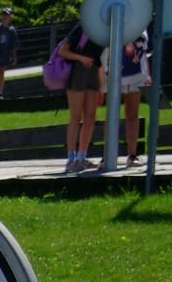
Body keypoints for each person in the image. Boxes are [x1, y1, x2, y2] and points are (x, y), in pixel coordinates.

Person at [58, 17, 104, 174]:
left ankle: (82, 156)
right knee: (76, 116)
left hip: (93, 72)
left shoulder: (103, 31)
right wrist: (81, 58)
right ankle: (71, 158)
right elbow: (63, 51)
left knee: (90, 115)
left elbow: (99, 60)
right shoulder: (82, 27)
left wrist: (100, 85)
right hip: (77, 72)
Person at [102, 30, 151, 167]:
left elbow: (143, 52)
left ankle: (132, 155)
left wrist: (147, 74)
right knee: (112, 114)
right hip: (114, 72)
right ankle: (107, 156)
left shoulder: (140, 26)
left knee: (132, 114)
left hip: (136, 74)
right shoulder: (111, 23)